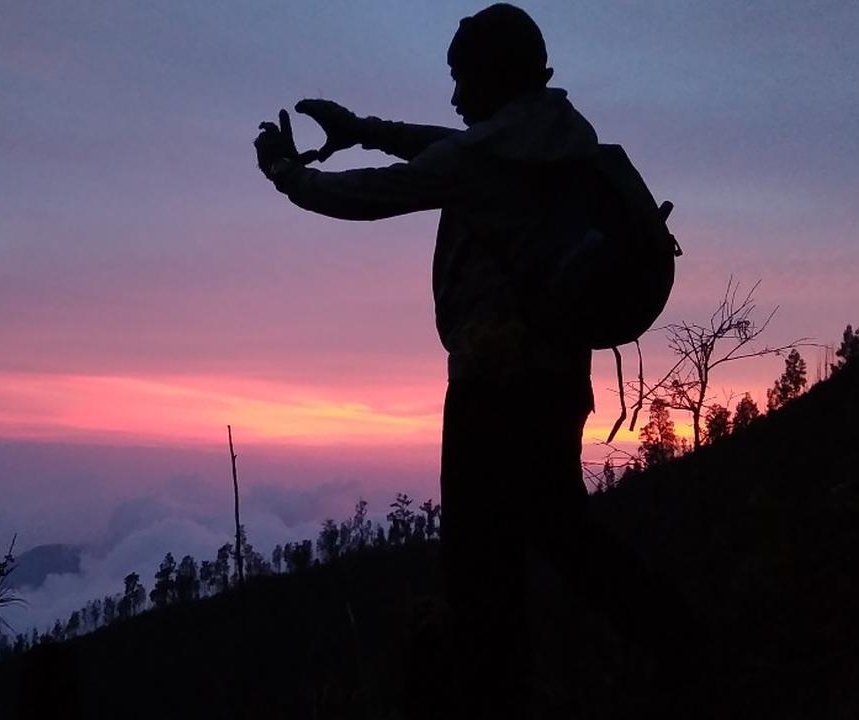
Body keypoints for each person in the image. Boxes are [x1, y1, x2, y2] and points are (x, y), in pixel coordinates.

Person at [254, 4, 699, 716]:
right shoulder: (562, 140)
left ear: (494, 75)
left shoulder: (478, 160)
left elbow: (358, 196)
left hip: (492, 385)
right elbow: (451, 148)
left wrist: (284, 171)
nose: (456, 97)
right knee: (558, 529)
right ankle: (679, 642)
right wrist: (363, 129)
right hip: (558, 374)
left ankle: (504, 696)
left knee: (478, 565)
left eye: (462, 78)